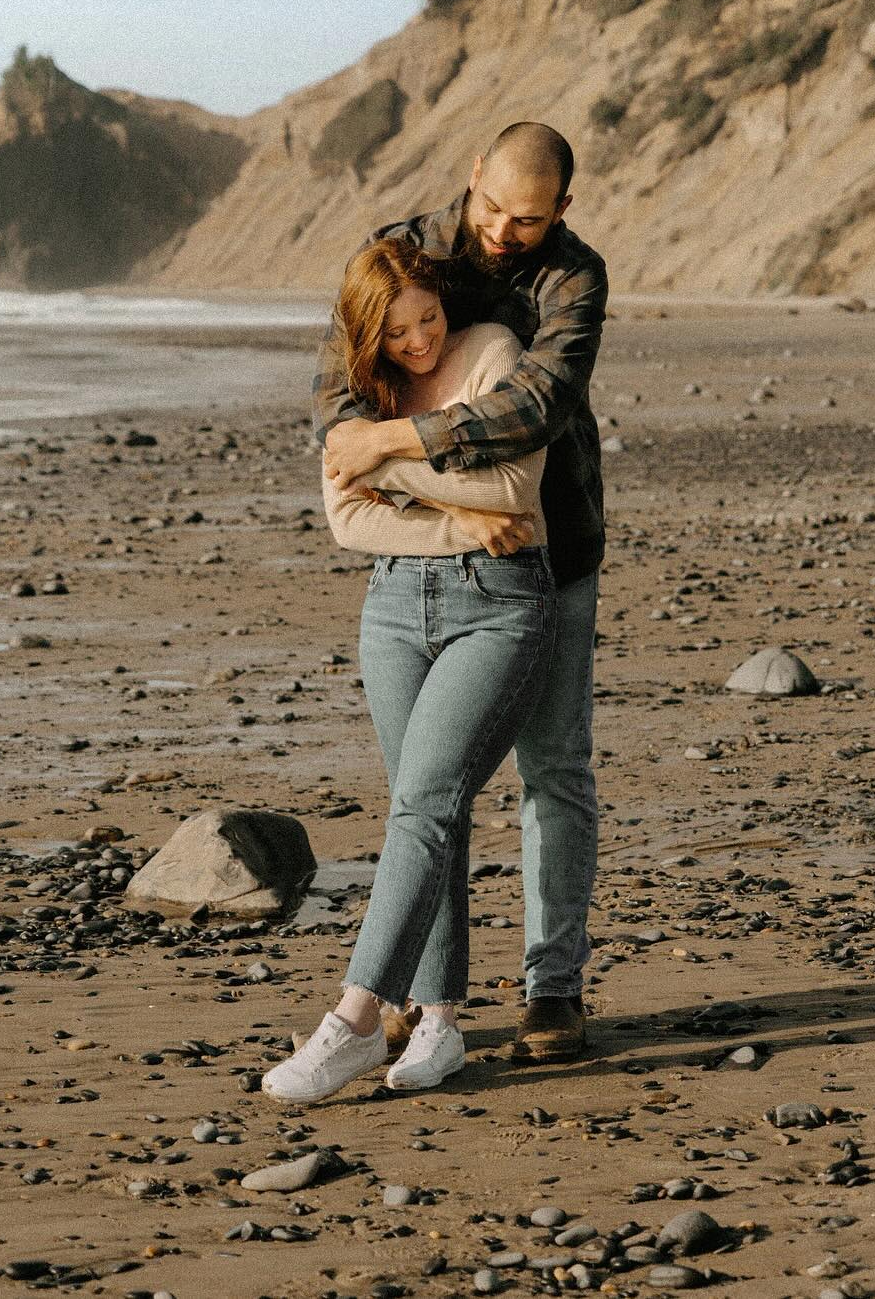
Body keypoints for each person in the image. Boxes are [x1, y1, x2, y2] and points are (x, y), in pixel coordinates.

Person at [312, 121, 607, 1066]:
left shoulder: (572, 278)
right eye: (493, 208)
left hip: (549, 556)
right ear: (471, 175)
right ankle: (430, 1001)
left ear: (561, 208)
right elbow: (340, 410)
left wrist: (397, 448)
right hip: (425, 576)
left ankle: (552, 991)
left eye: (530, 219)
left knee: (552, 769)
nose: (505, 233)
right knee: (428, 791)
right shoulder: (401, 255)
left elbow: (535, 409)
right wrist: (423, 486)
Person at [263, 240, 556, 1102]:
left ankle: (355, 1021)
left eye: (427, 318)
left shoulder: (493, 353)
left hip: (500, 604)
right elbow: (349, 519)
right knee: (426, 810)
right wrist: (451, 512)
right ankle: (439, 1020)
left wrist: (389, 466)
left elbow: (515, 489)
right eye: (397, 333)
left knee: (425, 803)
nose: (420, 342)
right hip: (393, 607)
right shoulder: (360, 389)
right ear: (369, 335)